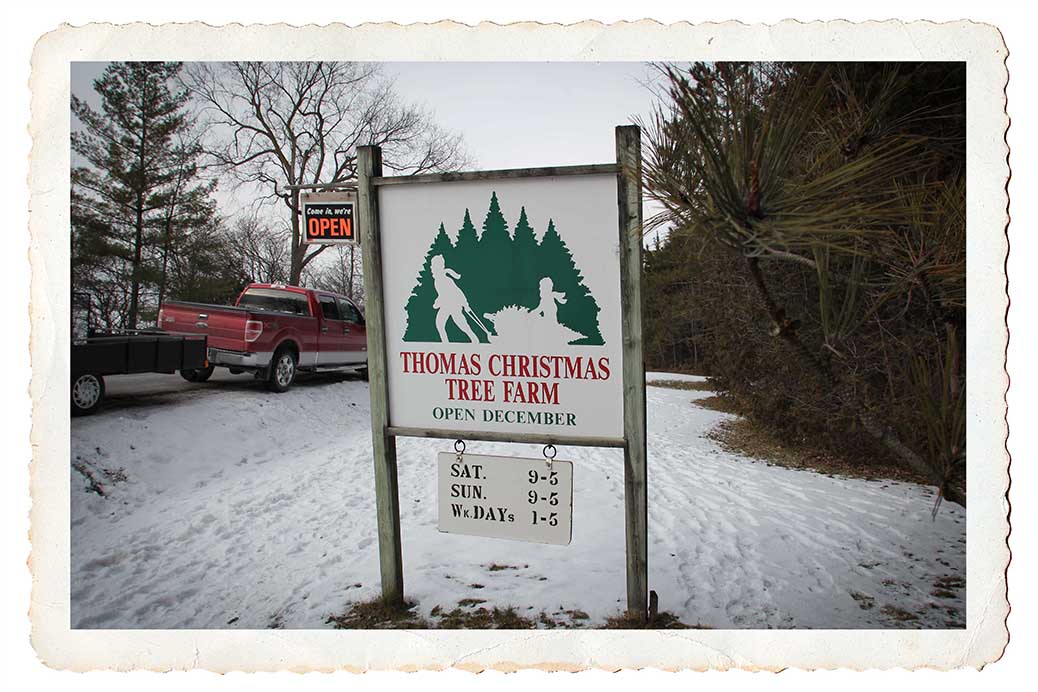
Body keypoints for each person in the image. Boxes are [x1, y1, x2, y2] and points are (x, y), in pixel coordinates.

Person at [430, 254, 480, 343]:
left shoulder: (445, 280)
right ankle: (445, 343)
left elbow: (457, 292)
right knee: (440, 324)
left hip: (453, 305)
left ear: (438, 267)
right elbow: (442, 294)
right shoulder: (437, 280)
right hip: (446, 306)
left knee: (462, 324)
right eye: (432, 265)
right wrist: (438, 301)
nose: (431, 268)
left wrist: (465, 304)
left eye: (433, 265)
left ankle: (474, 339)